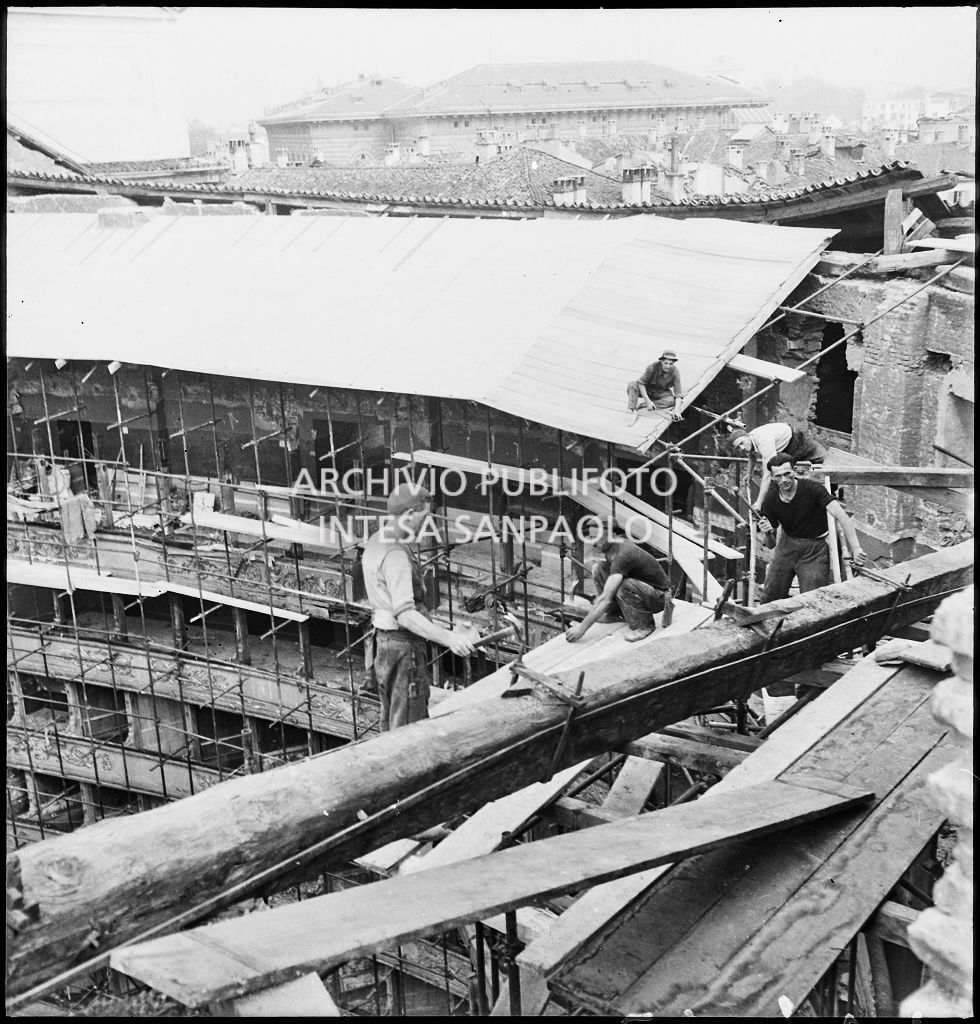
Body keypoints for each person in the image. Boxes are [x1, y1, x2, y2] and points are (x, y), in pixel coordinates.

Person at [362, 483, 476, 730]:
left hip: (385, 646)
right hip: (403, 651)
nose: (425, 524)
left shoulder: (377, 540)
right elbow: (405, 615)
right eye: (424, 517)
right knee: (409, 730)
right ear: (409, 515)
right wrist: (449, 638)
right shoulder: (394, 555)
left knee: (393, 721)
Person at [757, 453, 866, 603]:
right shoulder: (770, 499)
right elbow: (770, 544)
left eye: (787, 474)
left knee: (812, 601)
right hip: (786, 546)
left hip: (815, 550)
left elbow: (843, 517)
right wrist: (767, 532)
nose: (784, 480)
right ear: (772, 477)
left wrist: (856, 548)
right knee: (769, 597)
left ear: (794, 470)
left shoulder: (813, 489)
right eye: (778, 476)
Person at [566, 526, 671, 644]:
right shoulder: (611, 549)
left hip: (660, 597)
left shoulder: (623, 554)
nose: (594, 542)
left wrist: (581, 628)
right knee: (598, 568)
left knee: (624, 585)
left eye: (598, 537)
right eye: (591, 537)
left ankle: (645, 625)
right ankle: (615, 613)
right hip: (645, 590)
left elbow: (605, 599)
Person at [730, 423, 828, 512]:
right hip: (784, 449)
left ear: (747, 436)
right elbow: (751, 455)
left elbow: (767, 475)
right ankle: (773, 514)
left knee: (824, 462)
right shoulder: (750, 440)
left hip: (797, 442)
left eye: (742, 443)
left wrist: (759, 502)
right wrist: (749, 473)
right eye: (738, 447)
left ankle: (825, 500)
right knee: (777, 481)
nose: (741, 448)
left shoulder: (763, 441)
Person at [627, 350, 683, 421]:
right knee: (632, 384)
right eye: (665, 363)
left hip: (661, 392)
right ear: (661, 361)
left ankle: (643, 405)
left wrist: (676, 410)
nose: (668, 366)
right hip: (648, 389)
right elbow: (641, 383)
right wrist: (648, 401)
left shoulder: (675, 372)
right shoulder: (652, 367)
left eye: (671, 364)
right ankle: (633, 409)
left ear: (674, 363)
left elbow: (678, 394)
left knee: (671, 401)